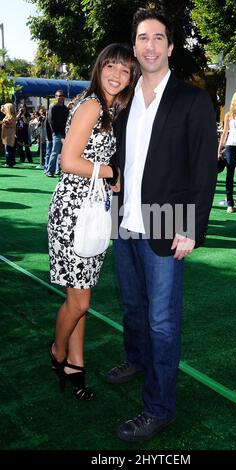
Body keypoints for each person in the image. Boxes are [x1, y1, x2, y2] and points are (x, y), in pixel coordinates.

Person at [106, 8, 217, 442]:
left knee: (162, 323)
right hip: (125, 222)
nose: (149, 45)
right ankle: (137, 360)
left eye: (157, 38)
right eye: (141, 38)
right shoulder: (126, 99)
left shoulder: (192, 100)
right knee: (133, 307)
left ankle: (159, 407)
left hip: (169, 223)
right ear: (134, 47)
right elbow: (124, 157)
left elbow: (204, 169)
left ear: (170, 47)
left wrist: (190, 227)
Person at [47, 43, 139, 400]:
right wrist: (111, 170)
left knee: (80, 294)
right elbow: (69, 161)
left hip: (90, 210)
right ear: (99, 67)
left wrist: (107, 176)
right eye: (111, 67)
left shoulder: (109, 109)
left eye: (125, 70)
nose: (117, 75)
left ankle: (76, 363)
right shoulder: (91, 105)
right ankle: (57, 352)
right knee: (80, 302)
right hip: (73, 211)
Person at [45, 90, 69, 177]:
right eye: (58, 96)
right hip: (57, 133)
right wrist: (56, 132)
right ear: (55, 97)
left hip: (65, 133)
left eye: (62, 96)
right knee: (55, 152)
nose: (60, 97)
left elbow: (68, 122)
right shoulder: (53, 108)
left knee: (63, 153)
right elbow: (51, 122)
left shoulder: (66, 109)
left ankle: (59, 170)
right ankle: (49, 171)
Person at [0, 103, 16, 168]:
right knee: (10, 149)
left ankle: (9, 163)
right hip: (8, 134)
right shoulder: (10, 115)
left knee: (8, 150)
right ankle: (12, 162)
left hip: (9, 134)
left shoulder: (10, 116)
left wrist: (4, 122)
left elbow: (10, 125)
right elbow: (3, 111)